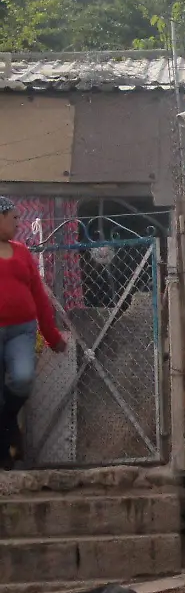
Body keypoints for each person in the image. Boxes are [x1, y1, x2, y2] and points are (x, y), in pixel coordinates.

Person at [0, 196, 67, 468]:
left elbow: (39, 296)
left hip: (21, 330)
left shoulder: (22, 252)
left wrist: (51, 335)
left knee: (23, 378)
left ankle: (7, 421)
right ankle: (5, 451)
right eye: (13, 217)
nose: (18, 223)